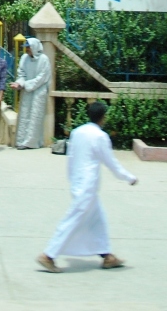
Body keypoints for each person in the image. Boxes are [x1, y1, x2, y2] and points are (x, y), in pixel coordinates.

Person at [36, 100, 138, 273]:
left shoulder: (77, 132)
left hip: (78, 182)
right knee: (73, 219)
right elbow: (111, 163)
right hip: (88, 186)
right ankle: (48, 255)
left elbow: (71, 158)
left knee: (98, 220)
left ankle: (107, 256)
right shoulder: (100, 137)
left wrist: (72, 180)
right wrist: (129, 177)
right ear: (103, 117)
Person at [12, 37, 51, 149]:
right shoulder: (24, 58)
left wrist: (26, 84)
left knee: (35, 117)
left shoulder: (44, 60)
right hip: (27, 91)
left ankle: (31, 142)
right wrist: (19, 83)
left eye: (28, 47)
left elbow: (42, 78)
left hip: (39, 92)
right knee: (24, 115)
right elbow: (21, 73)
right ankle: (21, 141)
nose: (27, 49)